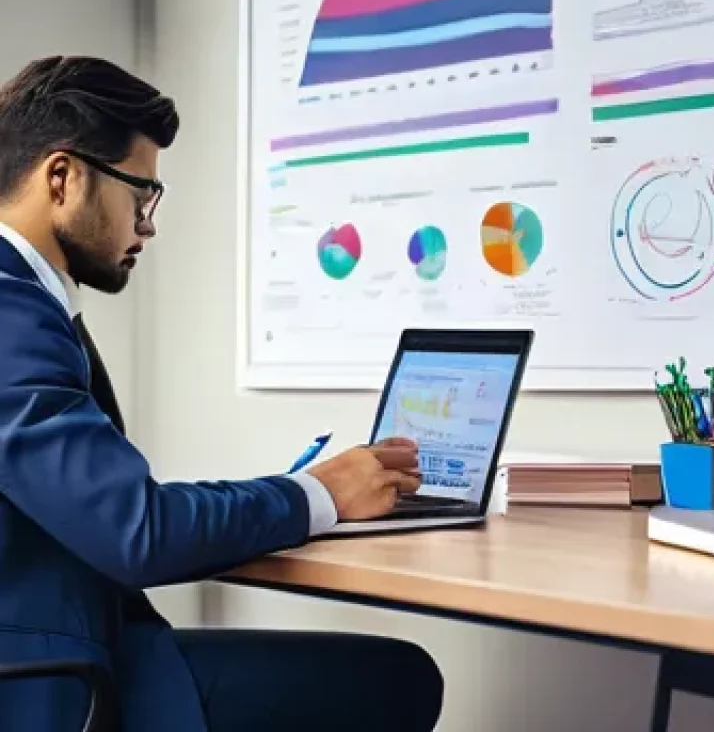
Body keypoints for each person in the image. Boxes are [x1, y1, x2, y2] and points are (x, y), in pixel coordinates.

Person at [0, 56, 444, 731]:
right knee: (399, 679)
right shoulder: (12, 313)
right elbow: (137, 532)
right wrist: (319, 494)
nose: (146, 226)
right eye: (139, 194)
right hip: (50, 687)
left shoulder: (25, 303)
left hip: (58, 652)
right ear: (62, 177)